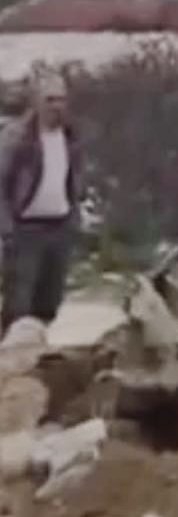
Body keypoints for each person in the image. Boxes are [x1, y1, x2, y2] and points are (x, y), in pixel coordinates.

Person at [0, 69, 83, 336]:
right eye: (50, 99)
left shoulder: (70, 137)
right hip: (25, 230)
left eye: (61, 99)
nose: (57, 106)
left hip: (59, 227)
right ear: (36, 101)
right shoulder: (17, 137)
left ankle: (33, 358)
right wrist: (7, 228)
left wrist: (74, 219)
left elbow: (74, 180)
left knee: (48, 303)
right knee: (18, 305)